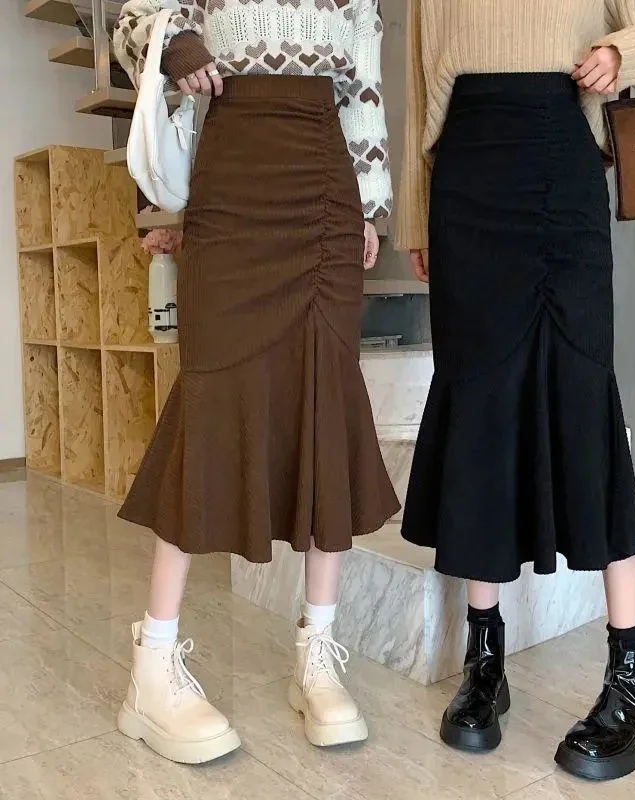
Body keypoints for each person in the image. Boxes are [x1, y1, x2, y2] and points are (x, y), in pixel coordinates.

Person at [396, 0, 635, 782]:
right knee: (480, 408)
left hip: (561, 158)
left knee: (586, 399)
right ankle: (484, 663)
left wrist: (619, 56)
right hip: (466, 172)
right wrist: (417, 218)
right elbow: (420, 86)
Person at [113, 0, 398, 764]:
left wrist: (371, 208)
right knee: (209, 401)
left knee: (327, 403)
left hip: (326, 194)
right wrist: (176, 43)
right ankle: (152, 669)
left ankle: (318, 654)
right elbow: (134, 18)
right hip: (232, 185)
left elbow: (364, 89)